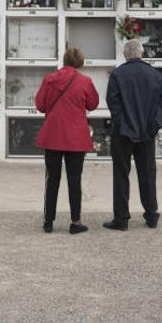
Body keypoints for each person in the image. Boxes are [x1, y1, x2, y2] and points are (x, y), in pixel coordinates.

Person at [103, 39, 162, 231]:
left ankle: (121, 219)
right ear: (142, 54)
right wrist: (151, 128)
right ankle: (151, 216)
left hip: (122, 135)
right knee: (147, 175)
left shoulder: (117, 74)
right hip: (147, 136)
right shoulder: (155, 75)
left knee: (121, 175)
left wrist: (126, 129)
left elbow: (113, 104)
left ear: (125, 55)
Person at [35, 47, 99, 235]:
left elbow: (40, 105)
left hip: (53, 136)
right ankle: (75, 221)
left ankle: (48, 222)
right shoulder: (85, 81)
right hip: (76, 139)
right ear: (80, 63)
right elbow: (93, 104)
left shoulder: (49, 79)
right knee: (75, 179)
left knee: (52, 179)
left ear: (64, 60)